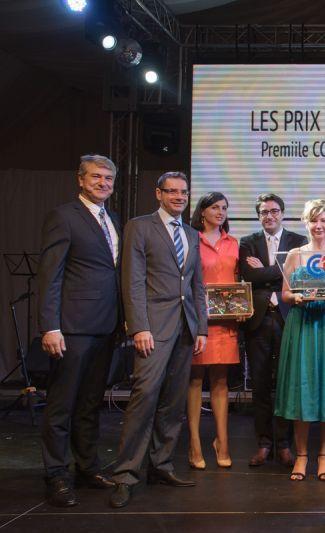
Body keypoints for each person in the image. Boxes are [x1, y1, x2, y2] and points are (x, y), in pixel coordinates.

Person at [109, 171, 208, 508]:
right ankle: (125, 475)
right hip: (152, 328)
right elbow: (132, 281)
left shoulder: (191, 233)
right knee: (145, 397)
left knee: (173, 403)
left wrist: (202, 328)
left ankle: (161, 464)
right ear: (159, 194)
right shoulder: (139, 227)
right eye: (172, 191)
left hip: (185, 328)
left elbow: (196, 285)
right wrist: (139, 327)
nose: (179, 197)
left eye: (184, 192)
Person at [37, 154, 121, 506]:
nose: (103, 183)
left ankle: (87, 467)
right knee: (62, 405)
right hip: (72, 327)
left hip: (106, 326)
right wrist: (50, 326)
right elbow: (50, 275)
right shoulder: (64, 216)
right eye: (96, 177)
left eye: (108, 178)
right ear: (81, 179)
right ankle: (57, 475)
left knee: (89, 403)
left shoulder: (113, 218)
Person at [274, 199, 325, 481]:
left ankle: (324, 457)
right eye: (313, 220)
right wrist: (296, 297)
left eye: (323, 220)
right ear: (305, 223)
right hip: (302, 325)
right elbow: (285, 293)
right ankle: (301, 456)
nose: (318, 225)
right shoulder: (294, 254)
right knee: (303, 387)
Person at [239, 193, 307, 468]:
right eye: (264, 212)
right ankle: (264, 443)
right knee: (260, 384)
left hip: (288, 317)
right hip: (257, 320)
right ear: (259, 216)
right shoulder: (247, 242)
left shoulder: (299, 241)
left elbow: (298, 276)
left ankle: (284, 444)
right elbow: (250, 276)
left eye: (274, 211)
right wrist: (281, 270)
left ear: (282, 213)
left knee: (286, 383)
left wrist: (267, 270)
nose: (269, 216)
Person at [186, 192, 241, 470]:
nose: (220, 212)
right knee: (195, 380)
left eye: (224, 208)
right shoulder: (191, 239)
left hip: (227, 322)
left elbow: (239, 281)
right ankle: (194, 444)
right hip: (198, 321)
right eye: (215, 207)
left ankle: (223, 441)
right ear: (202, 211)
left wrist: (243, 305)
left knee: (221, 381)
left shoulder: (234, 243)